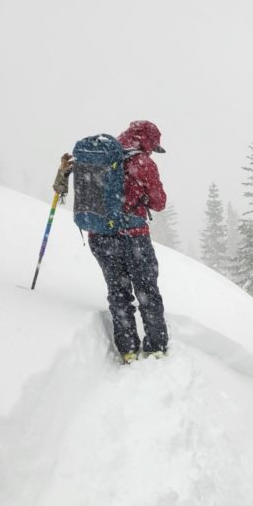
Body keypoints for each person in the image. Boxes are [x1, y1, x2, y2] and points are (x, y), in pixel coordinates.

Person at [55, 120, 170, 363]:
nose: (152, 150)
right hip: (133, 238)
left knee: (118, 292)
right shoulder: (143, 162)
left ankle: (128, 350)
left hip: (101, 238)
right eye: (153, 145)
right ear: (147, 141)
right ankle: (155, 347)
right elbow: (159, 202)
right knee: (147, 290)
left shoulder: (99, 157)